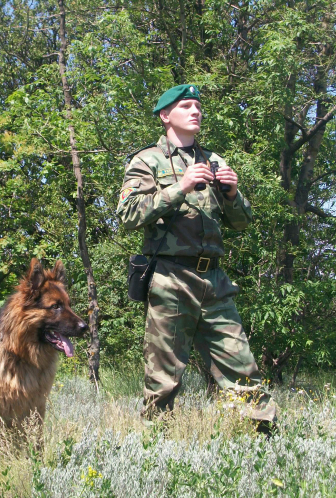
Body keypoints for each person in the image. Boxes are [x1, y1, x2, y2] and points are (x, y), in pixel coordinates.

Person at [116, 84, 276, 427]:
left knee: (242, 365)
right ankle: (155, 449)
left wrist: (232, 195)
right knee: (164, 374)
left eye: (198, 106)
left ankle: (265, 442)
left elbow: (242, 223)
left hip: (214, 280)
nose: (195, 111)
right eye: (186, 105)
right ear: (165, 116)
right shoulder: (147, 160)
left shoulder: (215, 161)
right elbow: (128, 214)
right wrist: (180, 187)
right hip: (171, 278)